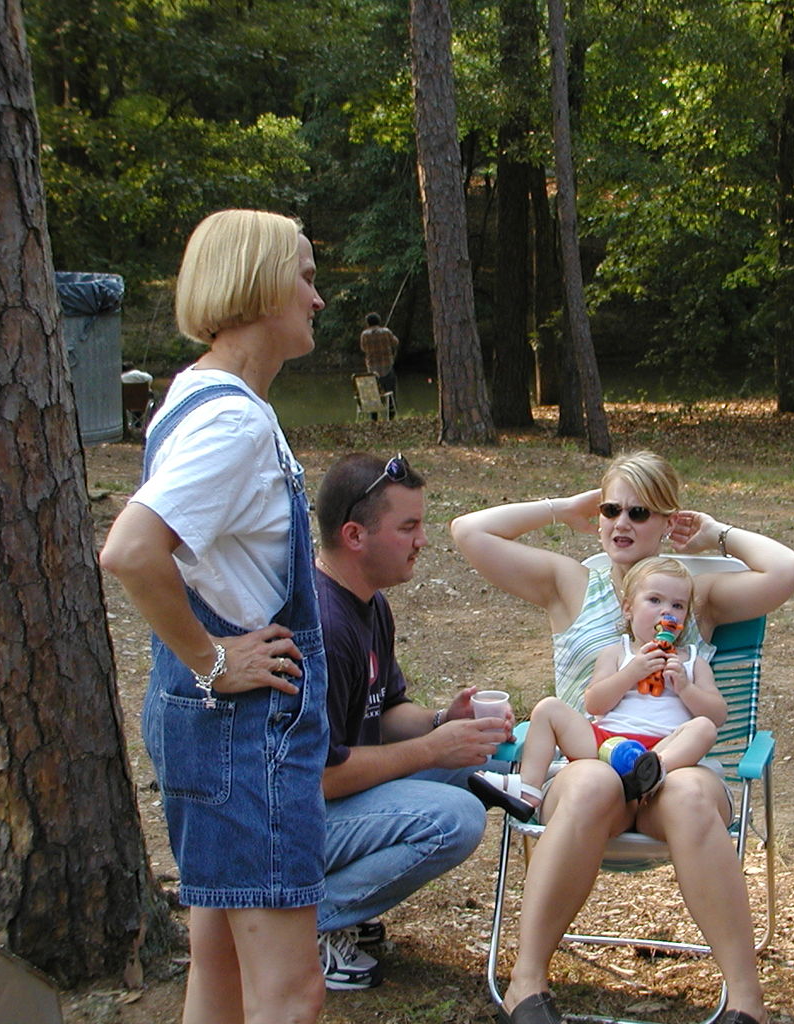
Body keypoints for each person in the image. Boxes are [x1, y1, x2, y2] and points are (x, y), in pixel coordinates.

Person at [451, 451, 794, 1024]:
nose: (622, 523)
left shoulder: (696, 597)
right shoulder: (570, 583)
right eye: (611, 508)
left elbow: (789, 571)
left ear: (668, 521)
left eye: (639, 512)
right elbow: (468, 532)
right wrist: (562, 509)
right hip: (593, 764)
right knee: (590, 782)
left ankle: (746, 1000)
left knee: (690, 793)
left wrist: (718, 534)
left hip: (675, 776)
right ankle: (526, 982)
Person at [100, 209, 330, 1024]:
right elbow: (130, 550)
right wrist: (213, 660)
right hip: (245, 735)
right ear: (260, 285)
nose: (318, 297)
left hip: (211, 732)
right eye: (305, 275)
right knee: (292, 993)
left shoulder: (195, 397)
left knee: (220, 969)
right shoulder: (232, 420)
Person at [311, 452, 504, 989]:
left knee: (475, 765)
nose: (423, 540)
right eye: (409, 526)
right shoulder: (322, 626)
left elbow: (387, 712)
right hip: (290, 825)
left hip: (336, 799)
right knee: (457, 817)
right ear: (354, 535)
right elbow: (320, 777)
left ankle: (335, 909)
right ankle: (308, 920)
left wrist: (444, 719)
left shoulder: (367, 603)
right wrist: (431, 749)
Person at [469, 556, 725, 821]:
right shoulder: (616, 653)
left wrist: (685, 688)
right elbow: (594, 704)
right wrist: (631, 673)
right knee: (548, 708)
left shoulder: (692, 660)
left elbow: (717, 716)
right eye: (654, 600)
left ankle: (651, 775)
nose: (666, 611)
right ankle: (528, 787)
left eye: (678, 605)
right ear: (628, 608)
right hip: (606, 745)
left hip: (662, 748)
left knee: (703, 728)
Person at [358, 313, 399, 420]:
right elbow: (395, 342)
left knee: (373, 395)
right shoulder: (386, 332)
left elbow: (363, 348)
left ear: (368, 323)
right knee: (391, 392)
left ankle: (374, 418)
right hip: (387, 368)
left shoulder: (364, 335)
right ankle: (391, 416)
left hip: (372, 370)